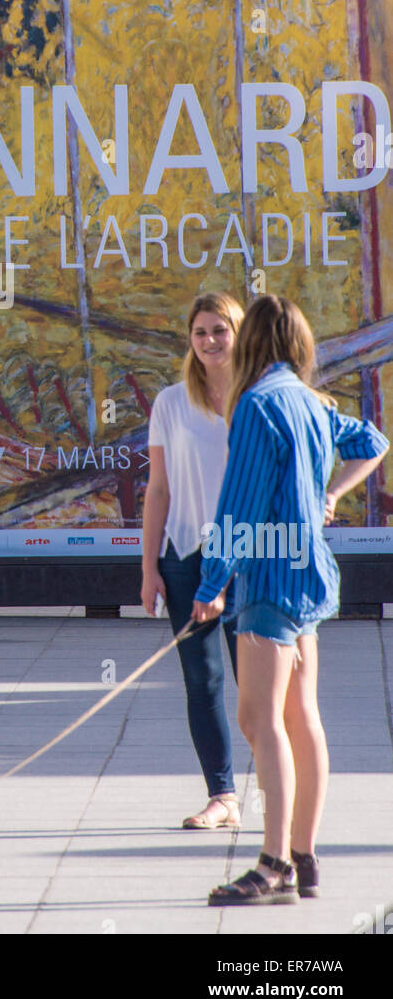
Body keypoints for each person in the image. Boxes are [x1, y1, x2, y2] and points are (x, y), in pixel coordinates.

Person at [192, 295, 388, 904]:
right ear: (300, 343)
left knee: (259, 719)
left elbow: (239, 506)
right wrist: (332, 494)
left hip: (270, 580)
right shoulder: (312, 401)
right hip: (308, 576)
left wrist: (210, 583)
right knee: (301, 717)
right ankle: (303, 855)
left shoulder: (256, 405)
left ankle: (274, 861)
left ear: (250, 342)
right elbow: (375, 440)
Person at [142, 291, 245, 829]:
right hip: (185, 556)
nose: (209, 341)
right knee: (202, 682)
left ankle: (279, 786)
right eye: (200, 332)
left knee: (260, 687)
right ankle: (222, 796)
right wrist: (149, 568)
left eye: (219, 331)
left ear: (239, 333)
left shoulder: (258, 397)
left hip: (250, 556)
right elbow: (157, 489)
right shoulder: (170, 403)